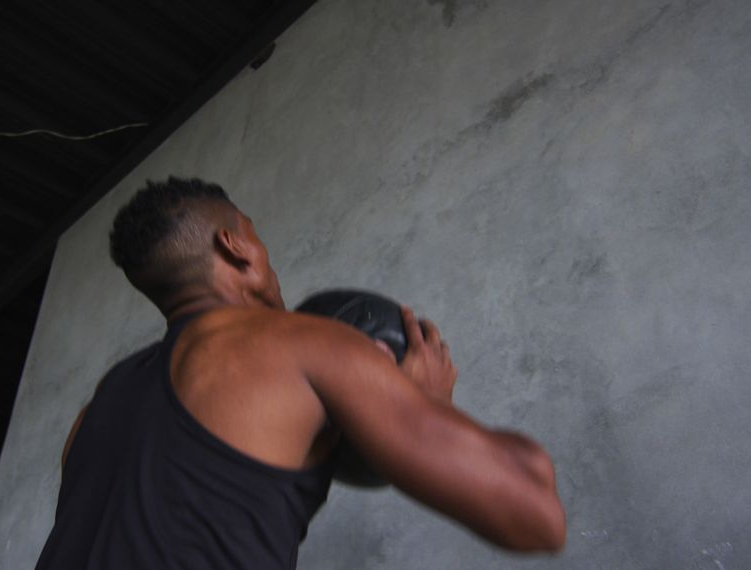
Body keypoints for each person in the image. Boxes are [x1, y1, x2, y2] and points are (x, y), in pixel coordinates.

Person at [35, 177, 566, 569]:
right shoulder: (300, 342)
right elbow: (531, 508)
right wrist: (424, 404)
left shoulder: (98, 405)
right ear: (235, 246)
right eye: (254, 233)